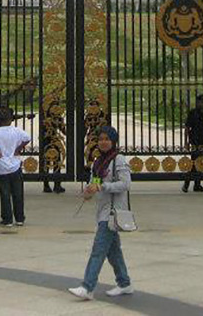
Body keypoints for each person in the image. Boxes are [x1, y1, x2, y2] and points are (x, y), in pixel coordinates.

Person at [67, 125, 133, 301]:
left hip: (112, 213)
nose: (103, 142)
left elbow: (125, 184)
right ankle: (124, 283)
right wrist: (89, 191)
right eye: (100, 139)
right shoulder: (98, 162)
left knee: (98, 250)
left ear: (113, 141)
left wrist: (103, 186)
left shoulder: (118, 159)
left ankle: (87, 287)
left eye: (107, 139)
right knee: (113, 252)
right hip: (102, 211)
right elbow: (94, 182)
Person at [0, 109, 31, 227]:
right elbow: (27, 138)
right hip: (15, 165)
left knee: (4, 194)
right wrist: (18, 148)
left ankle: (7, 218)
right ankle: (19, 218)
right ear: (11, 120)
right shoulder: (16, 131)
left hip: (1, 166)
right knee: (18, 193)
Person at [182, 93, 203, 193]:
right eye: (198, 101)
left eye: (201, 101)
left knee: (201, 163)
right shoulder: (193, 113)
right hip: (195, 141)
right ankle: (186, 183)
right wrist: (186, 142)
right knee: (193, 163)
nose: (199, 103)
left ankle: (197, 185)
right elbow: (187, 127)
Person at [40, 99, 66, 194]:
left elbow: (64, 131)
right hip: (47, 141)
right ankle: (47, 185)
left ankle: (56, 184)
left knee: (57, 162)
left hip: (54, 141)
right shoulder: (46, 118)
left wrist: (63, 124)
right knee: (47, 162)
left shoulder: (58, 118)